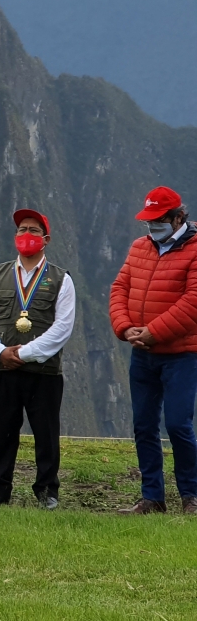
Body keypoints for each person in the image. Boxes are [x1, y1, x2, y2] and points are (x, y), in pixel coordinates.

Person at [0, 208, 74, 509]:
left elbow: (62, 328)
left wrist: (25, 353)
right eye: (21, 230)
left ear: (46, 239)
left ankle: (47, 491)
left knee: (46, 433)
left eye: (32, 230)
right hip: (2, 367)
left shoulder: (61, 279)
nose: (26, 235)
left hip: (44, 372)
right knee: (3, 431)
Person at [109, 186, 197, 515]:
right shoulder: (139, 248)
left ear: (178, 218)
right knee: (144, 426)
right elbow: (120, 287)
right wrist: (124, 327)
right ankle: (152, 498)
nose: (153, 228)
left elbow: (193, 302)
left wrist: (153, 332)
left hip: (182, 355)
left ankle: (191, 496)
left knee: (177, 425)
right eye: (149, 222)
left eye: (159, 221)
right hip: (142, 354)